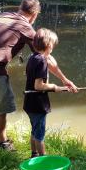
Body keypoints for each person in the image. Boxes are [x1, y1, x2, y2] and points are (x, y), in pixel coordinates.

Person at [0, 0, 77, 151]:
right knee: (2, 109)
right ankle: (2, 143)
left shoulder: (3, 15)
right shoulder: (24, 26)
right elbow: (45, 58)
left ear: (21, 8)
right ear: (35, 14)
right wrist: (65, 81)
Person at [23, 28, 70, 158]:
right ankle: (43, 159)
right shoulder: (42, 61)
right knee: (39, 135)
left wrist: (64, 81)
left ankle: (34, 155)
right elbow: (38, 86)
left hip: (29, 103)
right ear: (49, 45)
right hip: (38, 105)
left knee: (34, 131)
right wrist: (56, 87)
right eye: (53, 45)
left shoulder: (33, 57)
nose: (53, 48)